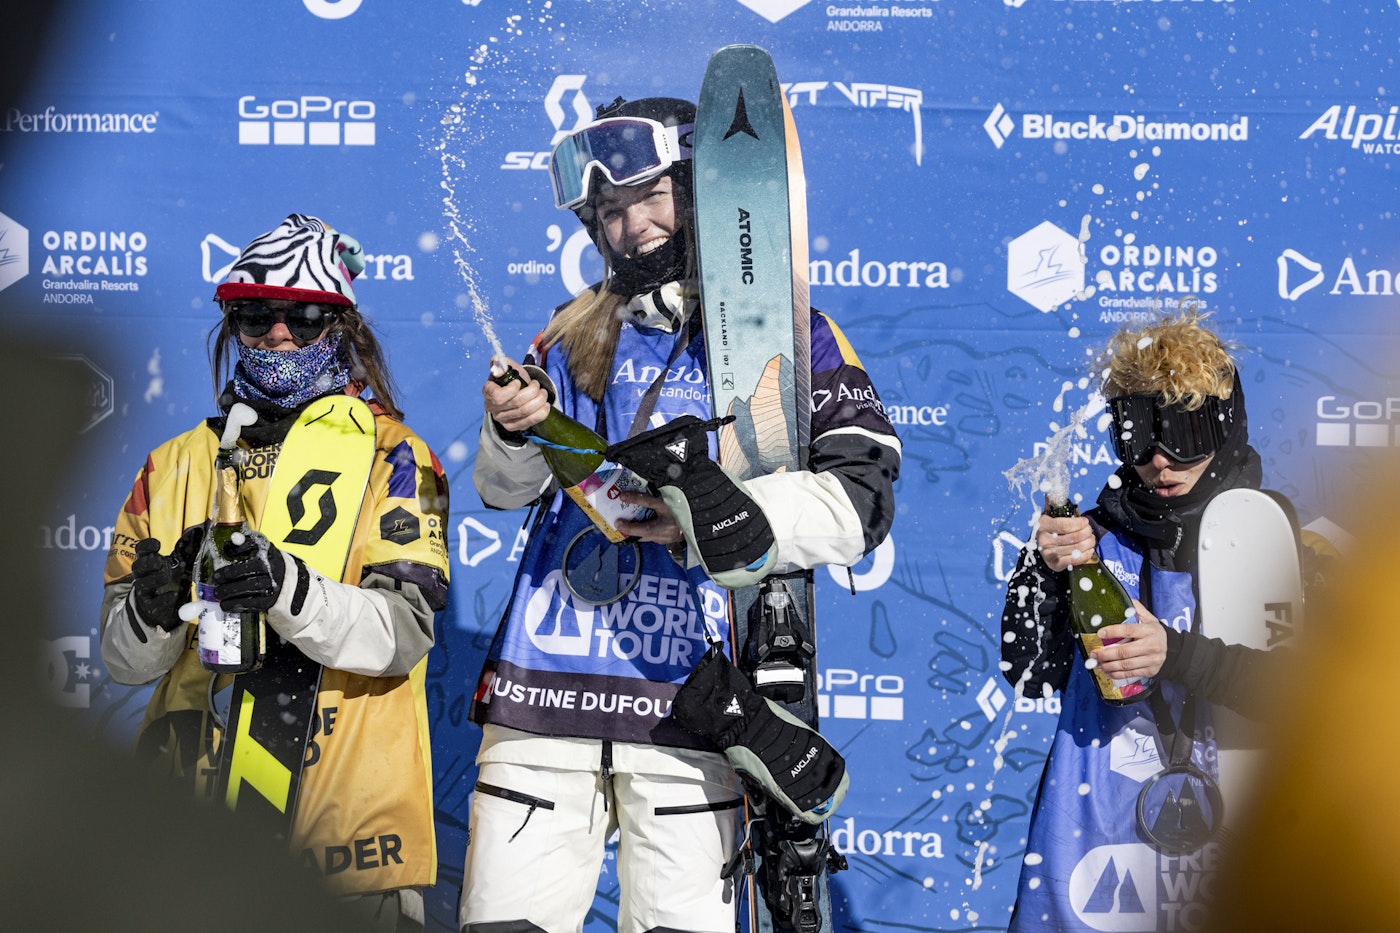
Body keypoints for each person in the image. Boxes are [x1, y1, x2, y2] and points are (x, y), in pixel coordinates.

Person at [458, 97, 902, 932]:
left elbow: (862, 499)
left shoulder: (792, 329)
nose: (632, 226)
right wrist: (513, 425)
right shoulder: (570, 329)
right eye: (612, 211)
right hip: (543, 699)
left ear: (704, 189)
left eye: (652, 196)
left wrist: (718, 509)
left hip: (692, 703)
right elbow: (504, 488)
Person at [100, 213, 451, 930]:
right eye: (255, 316)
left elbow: (401, 635)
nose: (277, 335)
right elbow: (121, 661)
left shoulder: (396, 455)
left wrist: (284, 589)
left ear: (341, 326)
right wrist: (155, 609)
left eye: (302, 316)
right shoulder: (170, 465)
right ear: (232, 323)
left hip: (346, 847)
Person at [1000, 309, 1327, 932]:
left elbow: (1318, 702)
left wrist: (1172, 655)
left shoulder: (1295, 552)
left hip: (1244, 842)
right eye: (1136, 433)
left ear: (1226, 427)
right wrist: (1043, 575)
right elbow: (1029, 674)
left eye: (1183, 428)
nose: (1158, 460)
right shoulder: (1088, 545)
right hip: (1097, 841)